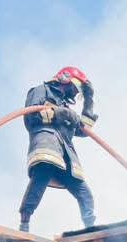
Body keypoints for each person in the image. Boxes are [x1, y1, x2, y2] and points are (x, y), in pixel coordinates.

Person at [18, 66, 99, 232]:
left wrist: (89, 99)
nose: (75, 93)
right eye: (75, 88)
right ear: (64, 78)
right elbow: (32, 116)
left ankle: (90, 227)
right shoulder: (41, 90)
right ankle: (24, 224)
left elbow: (85, 130)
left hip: (66, 155)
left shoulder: (65, 106)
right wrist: (64, 114)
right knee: (39, 180)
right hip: (47, 145)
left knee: (84, 192)